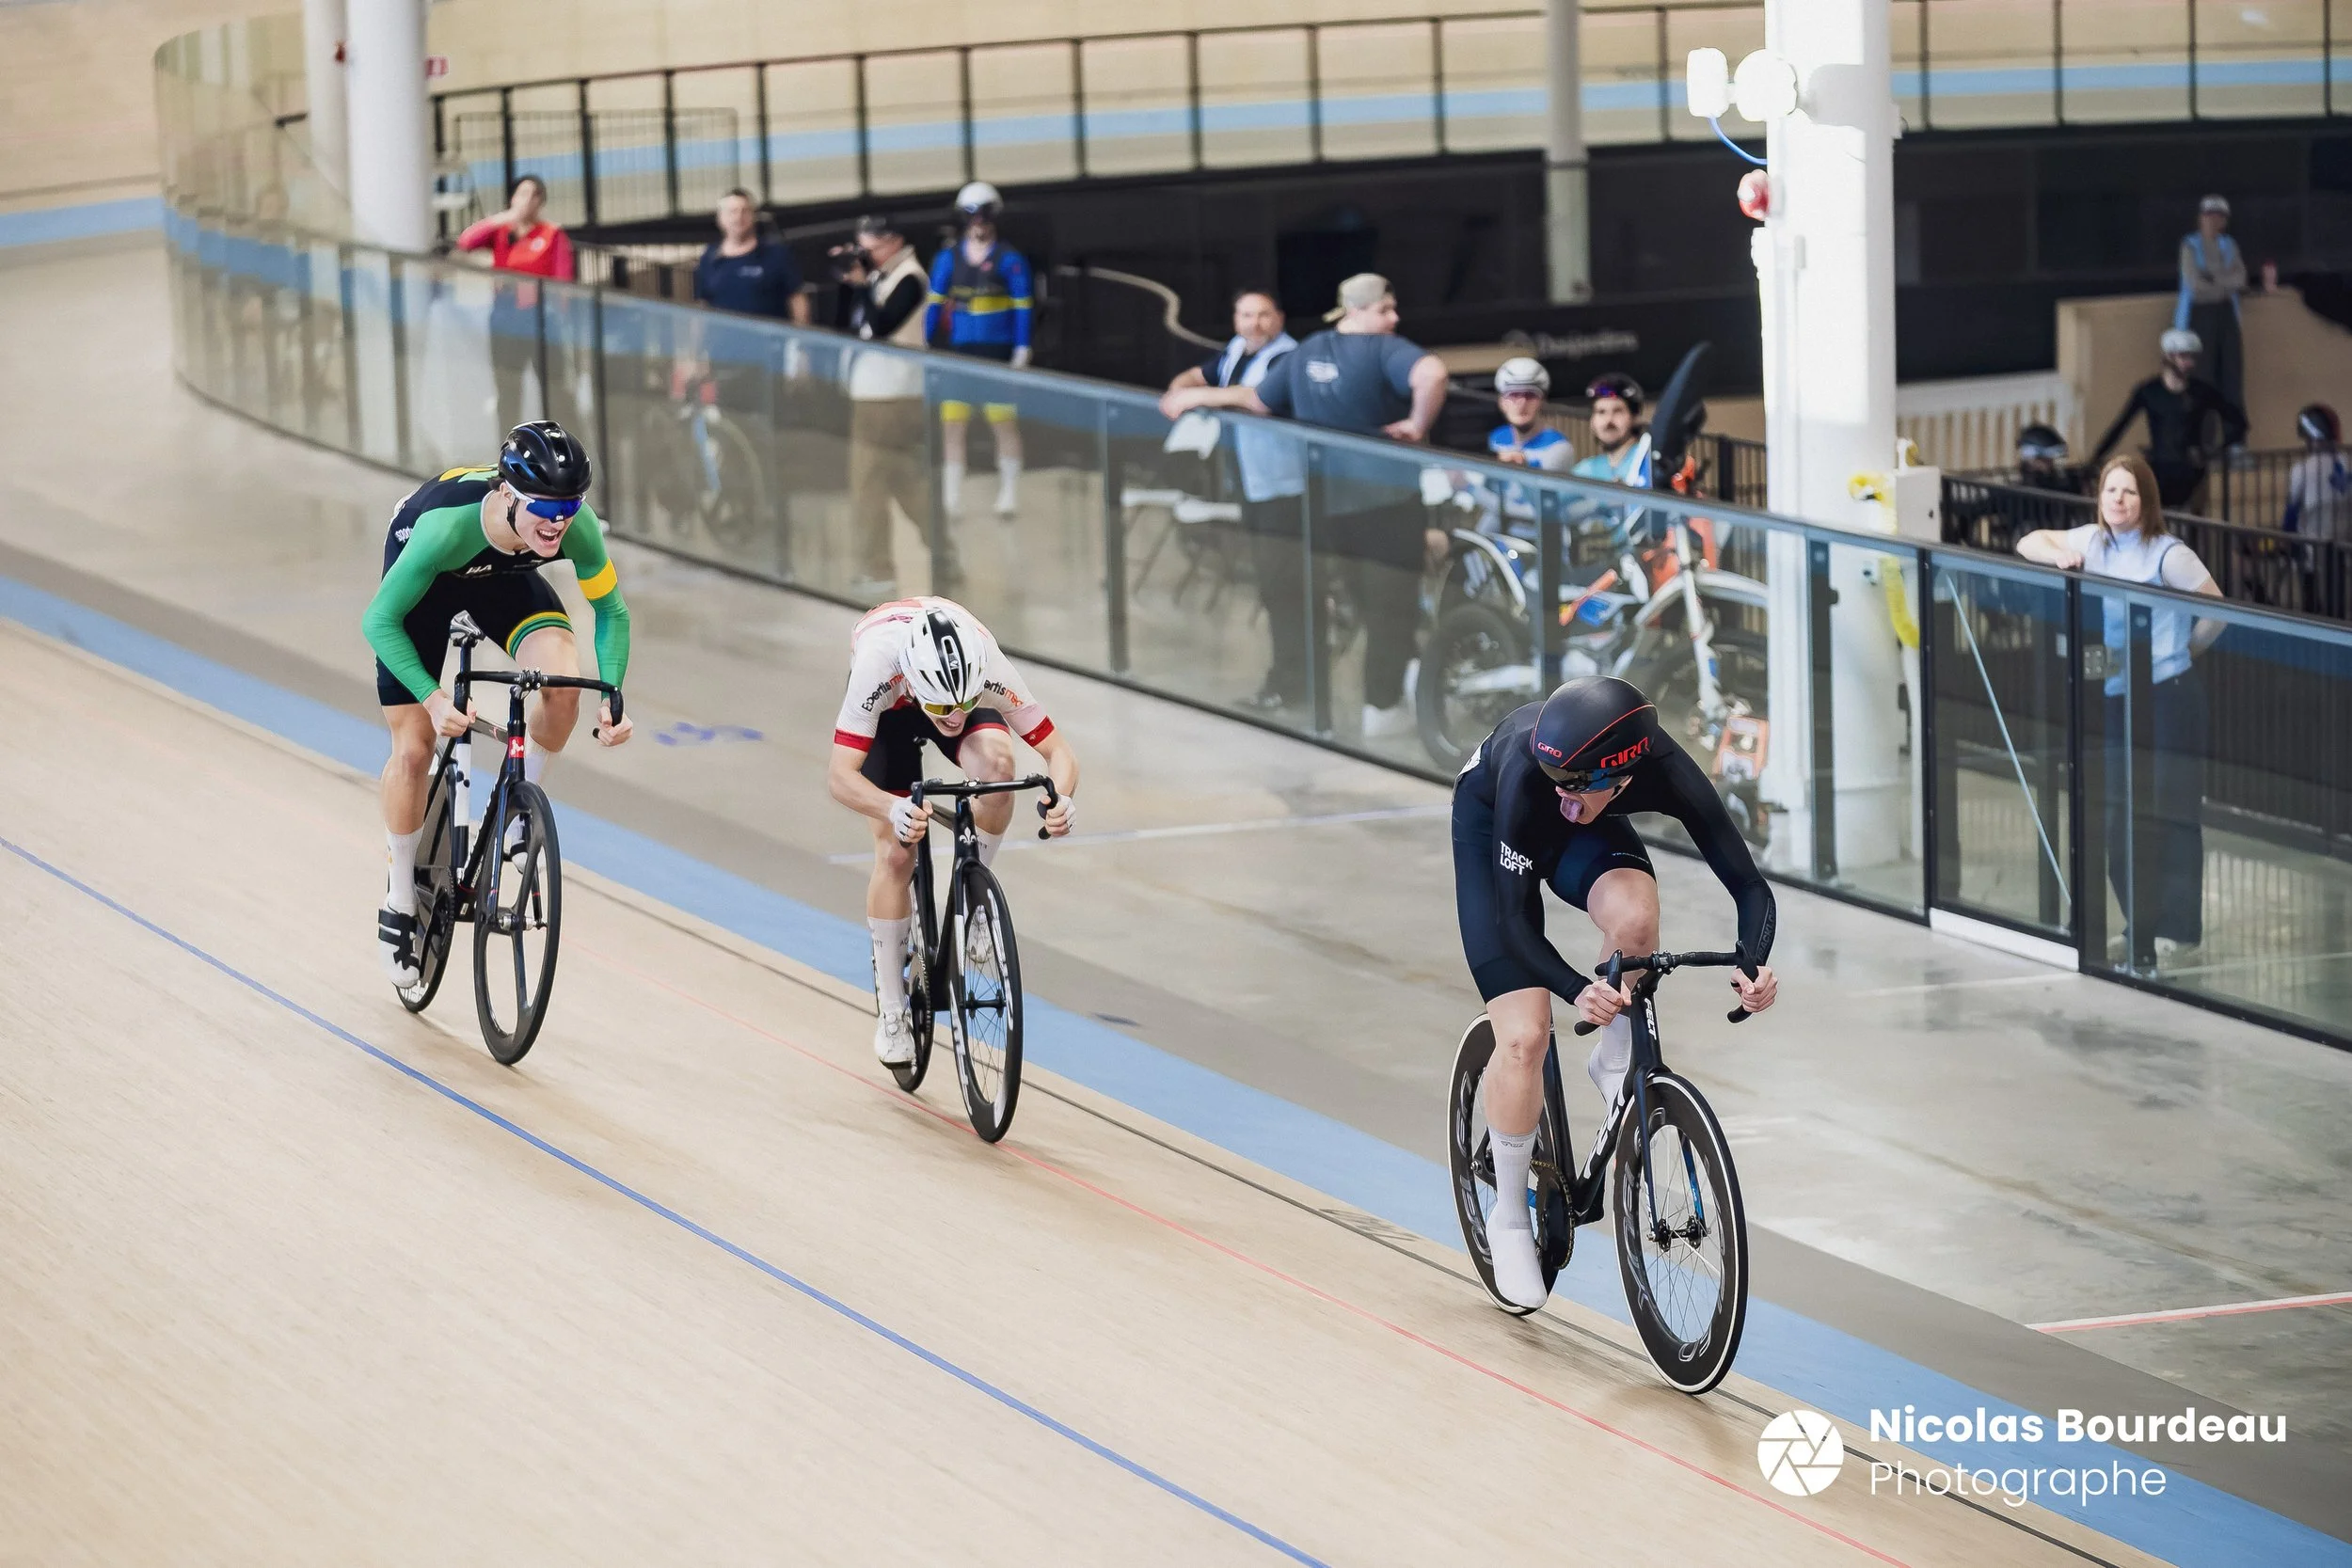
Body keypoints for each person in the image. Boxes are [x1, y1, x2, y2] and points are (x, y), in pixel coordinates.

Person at [1452, 675, 1777, 1310]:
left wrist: (1755, 963)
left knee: (1635, 917)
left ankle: (1613, 1057)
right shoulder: (1532, 777)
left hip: (1578, 837)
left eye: (1577, 786)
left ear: (1623, 776)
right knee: (1523, 1036)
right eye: (1558, 784)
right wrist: (1576, 988)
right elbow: (1514, 922)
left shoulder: (1663, 769)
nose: (1563, 796)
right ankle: (1510, 1215)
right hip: (1492, 824)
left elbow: (1749, 886)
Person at [365, 421, 635, 986]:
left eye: (570, 505)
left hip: (502, 580)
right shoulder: (445, 527)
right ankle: (398, 899)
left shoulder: (572, 525)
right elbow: (379, 620)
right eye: (545, 506)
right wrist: (433, 698)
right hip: (429, 583)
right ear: (509, 494)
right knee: (414, 750)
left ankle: (517, 808)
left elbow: (612, 613)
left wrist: (612, 691)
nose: (559, 521)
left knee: (564, 687)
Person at [828, 598, 1079, 1066]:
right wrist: (892, 808)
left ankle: (974, 899)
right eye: (945, 708)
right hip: (892, 711)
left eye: (965, 705)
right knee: (897, 853)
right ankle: (892, 1009)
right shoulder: (877, 668)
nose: (956, 719)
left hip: (945, 679)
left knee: (999, 769)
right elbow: (841, 776)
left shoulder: (985, 666)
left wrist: (1061, 797)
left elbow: (1059, 752)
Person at [2014, 453, 2224, 967]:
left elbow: (2216, 609)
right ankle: (2141, 922)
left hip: (2170, 697)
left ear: (2146, 500)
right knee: (2120, 815)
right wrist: (2059, 557)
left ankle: (2180, 927)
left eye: (2129, 492)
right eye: (2111, 490)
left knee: (2173, 813)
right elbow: (2028, 541)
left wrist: (2180, 653)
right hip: (2117, 696)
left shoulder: (2167, 553)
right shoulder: (2092, 540)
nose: (2119, 500)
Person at [1225, 273, 1452, 741]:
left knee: (1366, 604)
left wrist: (1195, 394)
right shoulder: (1385, 349)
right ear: (1358, 310)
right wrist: (1416, 421)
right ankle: (1382, 706)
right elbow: (1433, 373)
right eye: (1385, 309)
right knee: (1392, 607)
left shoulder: (1308, 349)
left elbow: (1260, 402)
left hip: (1328, 510)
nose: (1394, 318)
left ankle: (1388, 691)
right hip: (1387, 503)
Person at [1159, 289, 1304, 711]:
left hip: (1285, 489)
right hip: (1251, 486)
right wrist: (1180, 389)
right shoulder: (1238, 349)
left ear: (1279, 318)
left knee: (1285, 589)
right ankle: (1285, 676)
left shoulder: (1286, 357)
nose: (1253, 324)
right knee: (1271, 586)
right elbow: (1199, 377)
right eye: (1245, 315)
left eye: (1262, 315)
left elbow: (1253, 397)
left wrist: (1194, 398)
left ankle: (1291, 681)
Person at [834, 214, 933, 597]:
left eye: (869, 247)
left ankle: (877, 568)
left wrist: (861, 287)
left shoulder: (909, 277)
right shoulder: (878, 276)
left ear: (893, 241)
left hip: (890, 396)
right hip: (874, 394)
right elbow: (845, 324)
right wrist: (849, 285)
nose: (865, 255)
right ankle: (943, 551)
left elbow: (880, 328)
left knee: (868, 484)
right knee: (906, 482)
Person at [925, 182, 1034, 521]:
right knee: (953, 426)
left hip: (996, 355)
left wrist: (1021, 350)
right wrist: (926, 345)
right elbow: (934, 305)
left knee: (1003, 424)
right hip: (959, 355)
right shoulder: (947, 259)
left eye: (985, 215)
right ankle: (952, 497)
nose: (979, 222)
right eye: (972, 215)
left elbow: (1023, 308)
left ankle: (1009, 494)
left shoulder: (1010, 260)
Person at [455, 175, 576, 434]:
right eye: (520, 194)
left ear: (540, 202)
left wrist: (561, 320)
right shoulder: (502, 231)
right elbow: (466, 242)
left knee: (553, 390)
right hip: (505, 320)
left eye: (532, 195)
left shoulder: (551, 234)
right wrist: (503, 217)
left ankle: (556, 447)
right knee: (508, 391)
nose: (525, 200)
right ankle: (509, 450)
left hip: (541, 322)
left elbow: (563, 282)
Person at [2090, 328, 2247, 513]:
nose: (2189, 363)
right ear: (2168, 357)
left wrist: (2212, 451)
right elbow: (2119, 427)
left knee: (2190, 528)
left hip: (2192, 477)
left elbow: (2239, 423)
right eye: (2183, 357)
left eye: (2192, 357)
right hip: (2159, 474)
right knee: (2155, 527)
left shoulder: (2201, 392)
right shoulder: (2149, 391)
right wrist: (2095, 458)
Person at [2175, 195, 2248, 418]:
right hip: (2199, 316)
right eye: (2208, 216)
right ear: (2200, 219)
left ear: (2224, 221)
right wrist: (2224, 282)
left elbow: (2241, 279)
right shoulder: (2190, 245)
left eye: (2218, 217)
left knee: (2232, 378)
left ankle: (2235, 442)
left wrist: (2212, 279)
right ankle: (2202, 442)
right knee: (2202, 378)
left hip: (2227, 313)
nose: (2213, 222)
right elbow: (2195, 285)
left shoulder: (2229, 245)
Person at [693, 188, 809, 326]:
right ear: (720, 219)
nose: (738, 217)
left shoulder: (777, 254)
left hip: (769, 345)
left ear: (753, 216)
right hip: (723, 345)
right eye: (732, 212)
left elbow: (797, 299)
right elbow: (701, 306)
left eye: (745, 211)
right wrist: (695, 347)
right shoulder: (709, 257)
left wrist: (801, 339)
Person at [1566, 372, 1648, 555]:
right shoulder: (1588, 468)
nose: (1609, 421)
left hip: (1643, 558)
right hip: (1599, 563)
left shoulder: (1645, 459)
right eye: (1601, 412)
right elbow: (1556, 506)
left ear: (1634, 418)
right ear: (1592, 423)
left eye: (1617, 411)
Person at [2282, 404, 2351, 543]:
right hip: (2346, 542)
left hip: (2314, 542)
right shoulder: (2347, 460)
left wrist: (2284, 537)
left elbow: (2291, 513)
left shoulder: (2301, 469)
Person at [1486, 358, 1571, 469]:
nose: (1522, 404)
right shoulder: (1497, 438)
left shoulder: (1558, 446)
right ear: (1502, 402)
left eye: (1530, 395)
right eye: (1514, 395)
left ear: (1542, 402)